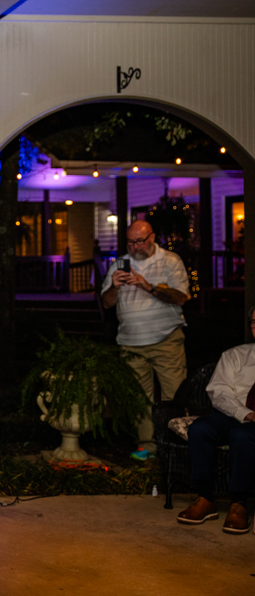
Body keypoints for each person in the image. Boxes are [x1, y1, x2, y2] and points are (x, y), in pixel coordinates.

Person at [101, 220, 190, 461]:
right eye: (130, 241)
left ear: (152, 237)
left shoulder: (170, 260)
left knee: (174, 395)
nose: (135, 246)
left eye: (139, 240)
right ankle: (147, 445)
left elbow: (181, 297)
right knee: (139, 397)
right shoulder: (120, 263)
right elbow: (107, 302)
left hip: (166, 339)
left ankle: (177, 446)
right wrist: (115, 288)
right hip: (130, 342)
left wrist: (147, 286)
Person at [177, 306, 255, 534]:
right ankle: (205, 498)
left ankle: (239, 503)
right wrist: (245, 413)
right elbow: (219, 392)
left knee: (241, 436)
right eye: (253, 321)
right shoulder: (235, 355)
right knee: (201, 429)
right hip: (237, 412)